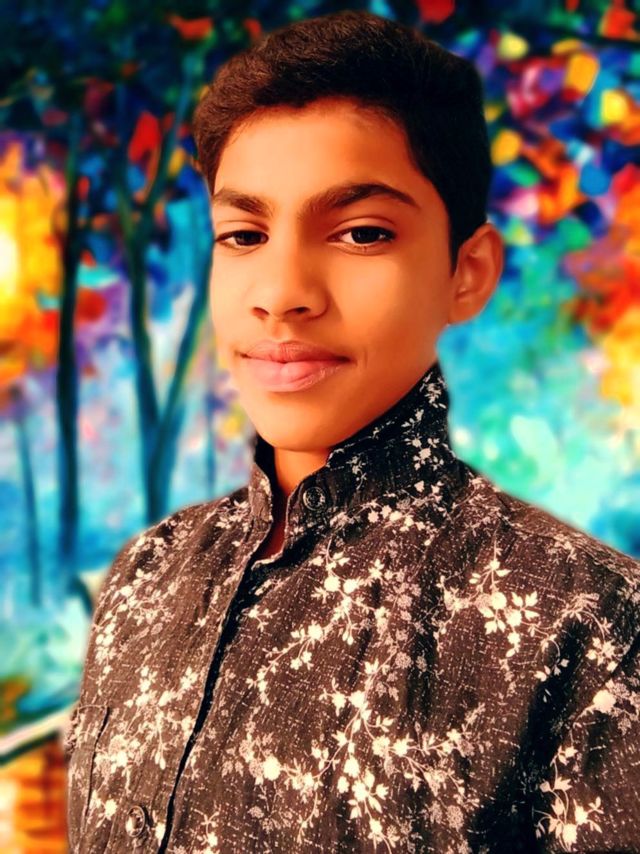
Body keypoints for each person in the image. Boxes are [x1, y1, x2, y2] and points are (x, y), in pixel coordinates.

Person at [64, 9, 640, 853]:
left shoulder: (589, 624)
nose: (281, 294)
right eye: (244, 235)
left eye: (362, 233)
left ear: (466, 271)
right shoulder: (145, 577)